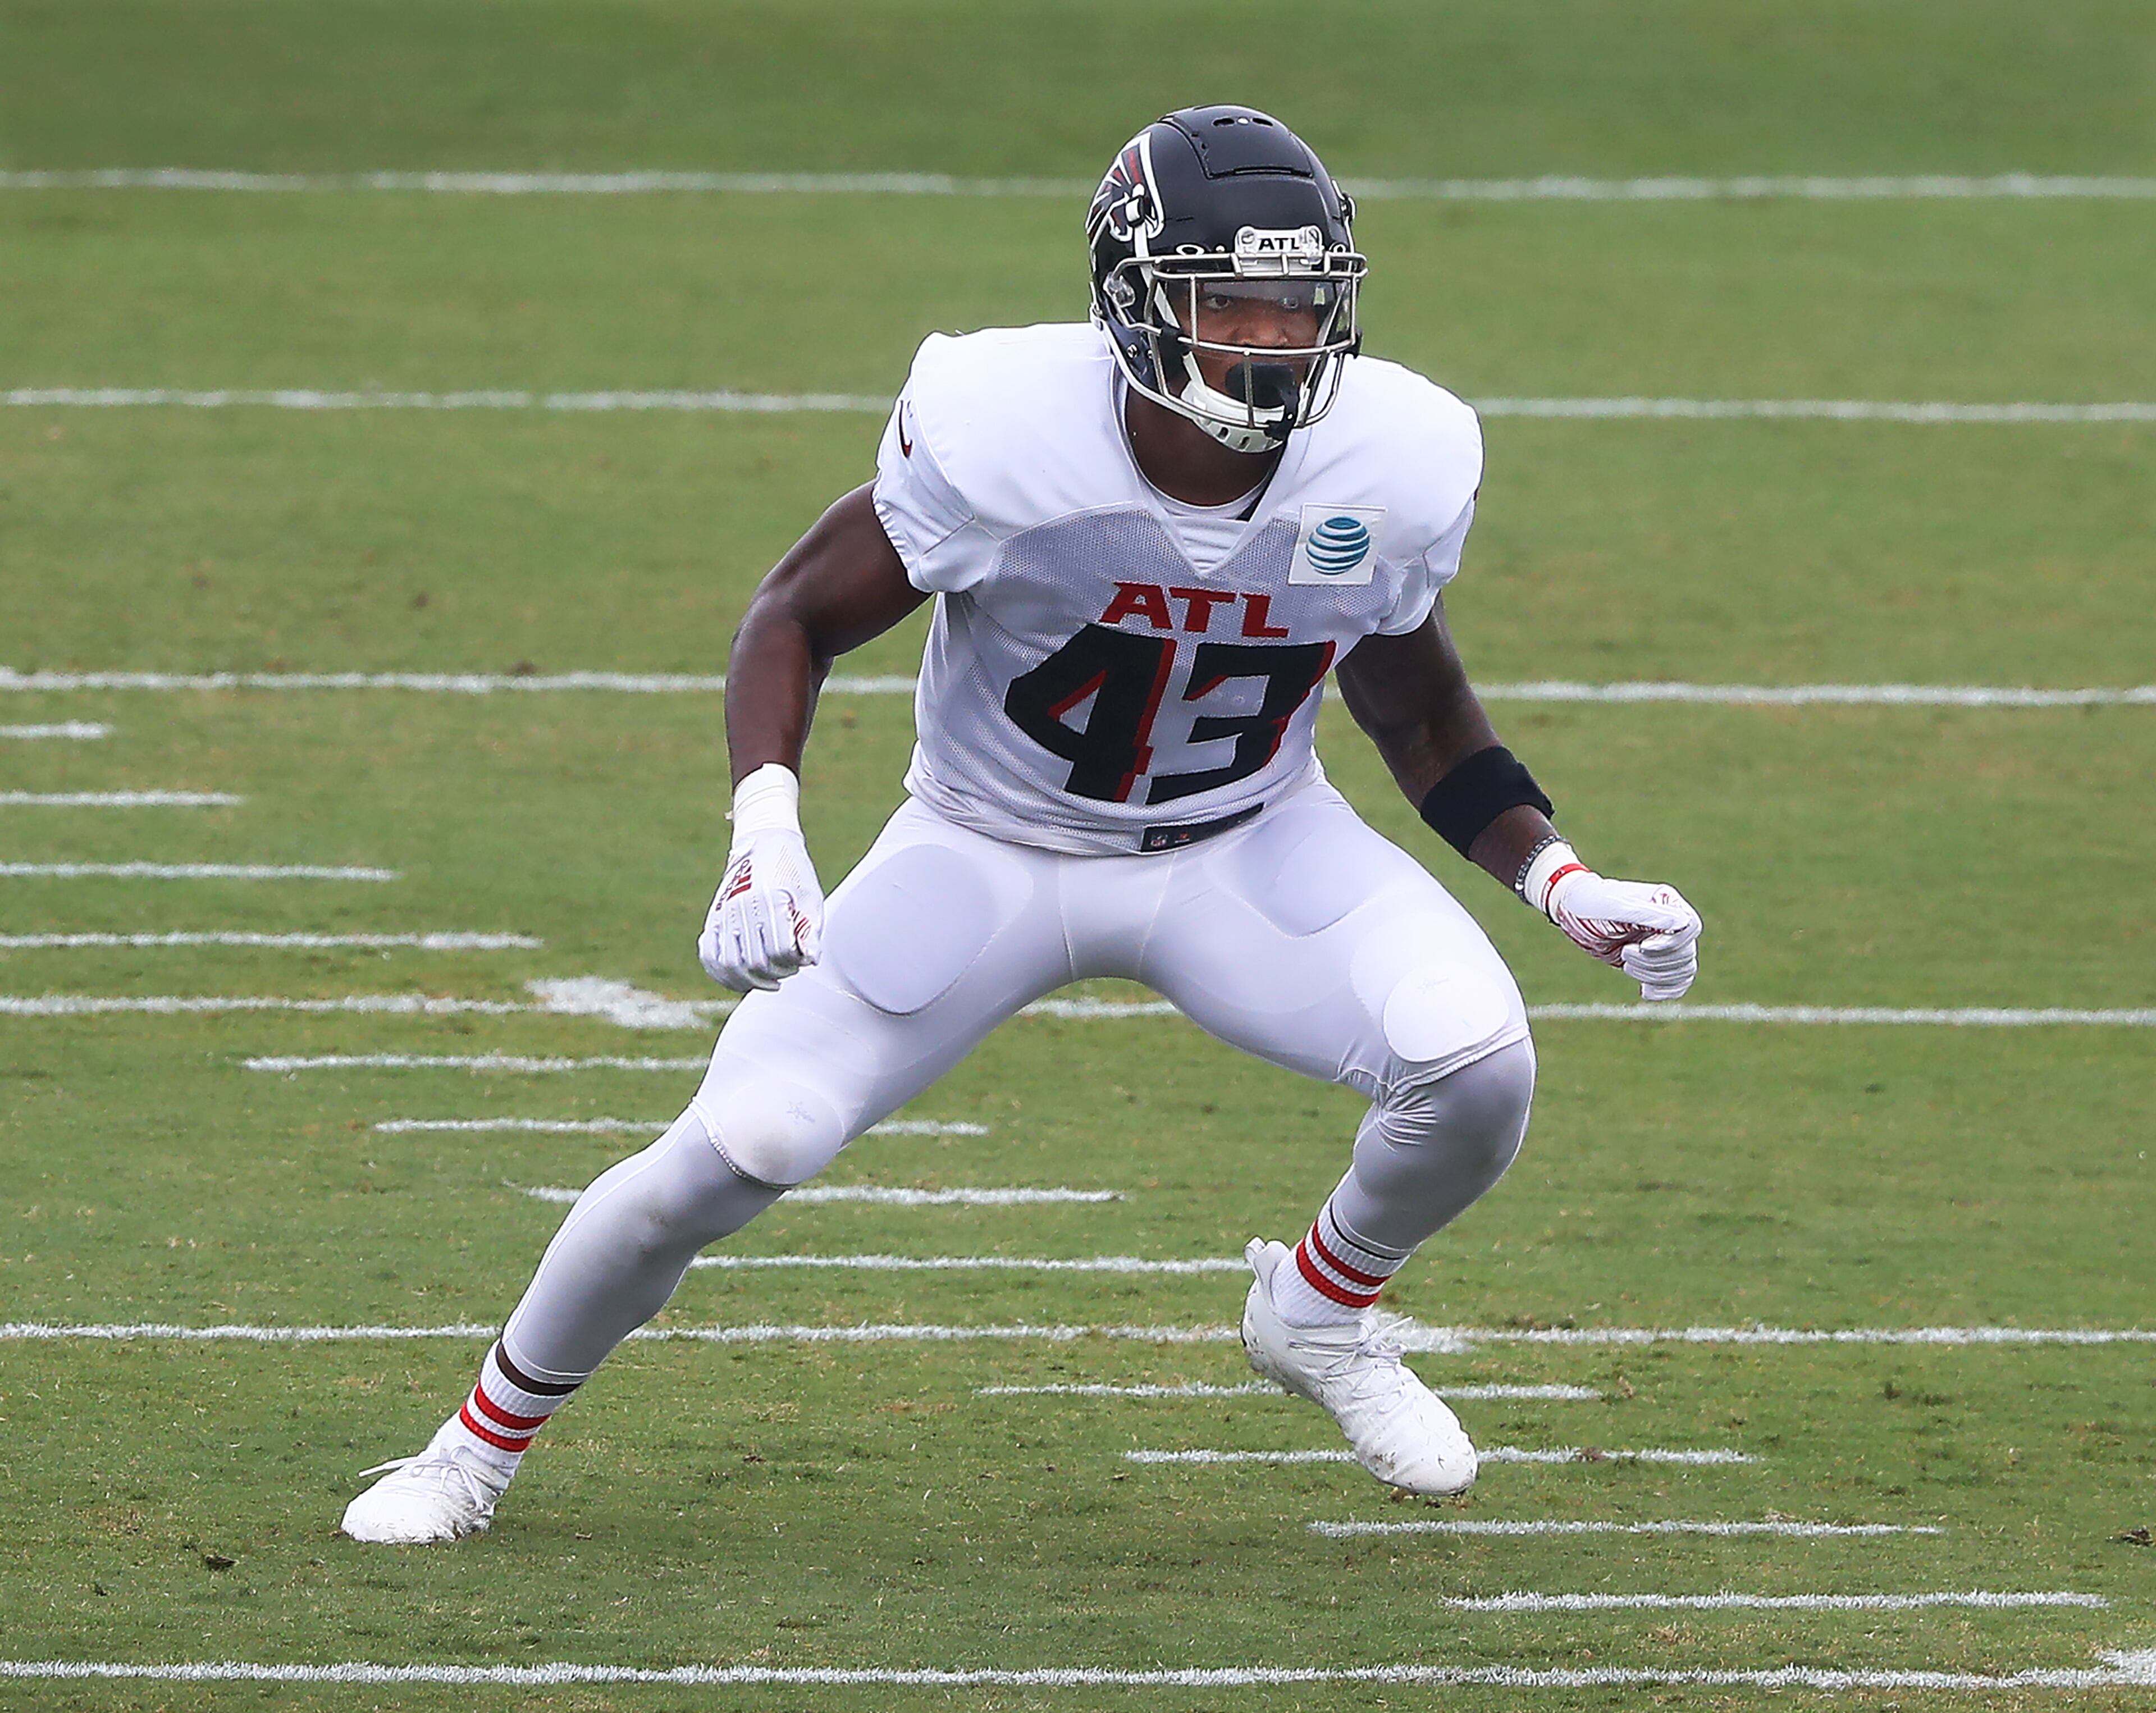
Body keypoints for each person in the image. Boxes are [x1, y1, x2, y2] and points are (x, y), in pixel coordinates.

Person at [342, 105, 1701, 1544]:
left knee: (1479, 1065)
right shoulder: (1005, 431)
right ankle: (471, 1448)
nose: (1278, 340)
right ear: (1134, 299)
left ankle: (1321, 1307)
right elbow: (793, 613)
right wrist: (765, 822)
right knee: (742, 1142)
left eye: (1304, 305)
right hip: (984, 845)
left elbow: (1419, 713)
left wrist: (1557, 878)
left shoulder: (1397, 457)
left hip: (1245, 843)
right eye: (1231, 302)